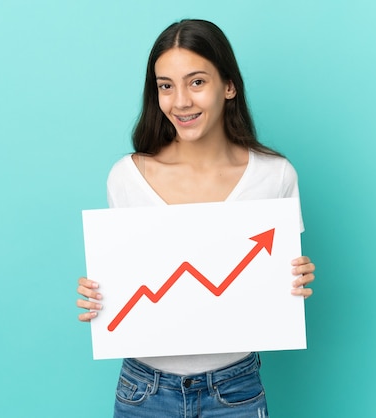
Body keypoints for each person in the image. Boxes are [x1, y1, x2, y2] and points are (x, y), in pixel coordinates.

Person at [77, 19, 316, 417]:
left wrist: (297, 277)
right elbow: (130, 281)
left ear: (228, 85)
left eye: (197, 82)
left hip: (234, 391)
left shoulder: (276, 175)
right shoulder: (126, 177)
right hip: (143, 391)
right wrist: (98, 297)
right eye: (166, 86)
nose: (181, 101)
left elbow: (274, 282)